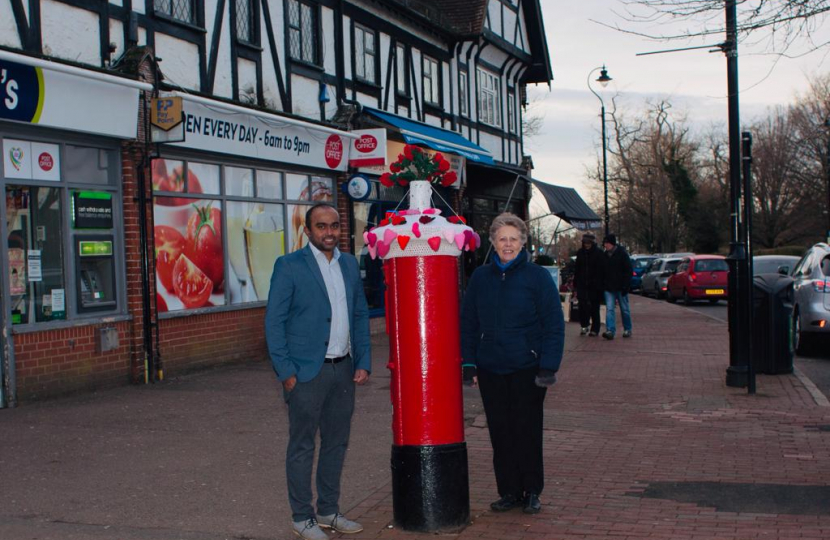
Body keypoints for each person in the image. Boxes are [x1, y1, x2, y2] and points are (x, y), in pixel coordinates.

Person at [265, 203, 371, 540]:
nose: (329, 232)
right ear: (308, 230)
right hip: (306, 373)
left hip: (344, 369)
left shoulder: (350, 265)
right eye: (321, 226)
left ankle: (328, 511)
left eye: (335, 226)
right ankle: (302, 517)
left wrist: (363, 360)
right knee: (302, 446)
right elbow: (274, 322)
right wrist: (286, 371)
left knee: (336, 444)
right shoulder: (289, 266)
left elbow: (359, 315)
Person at [460, 213, 565, 515]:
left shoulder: (537, 277)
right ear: (493, 243)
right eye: (502, 239)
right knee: (500, 432)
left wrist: (548, 366)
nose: (508, 244)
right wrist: (469, 364)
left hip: (527, 368)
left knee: (526, 431)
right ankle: (508, 491)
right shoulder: (480, 278)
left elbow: (553, 325)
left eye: (513, 239)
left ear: (522, 243)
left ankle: (531, 490)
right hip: (491, 368)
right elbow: (468, 323)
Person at [601, 234, 633, 340]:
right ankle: (610, 330)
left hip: (620, 286)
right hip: (609, 287)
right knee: (610, 309)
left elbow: (628, 271)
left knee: (624, 309)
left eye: (607, 243)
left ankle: (627, 328)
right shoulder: (605, 255)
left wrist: (625, 286)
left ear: (612, 243)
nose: (605, 245)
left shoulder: (622, 254)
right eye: (605, 243)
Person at [573, 233, 604, 336]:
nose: (587, 245)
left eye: (588, 243)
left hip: (594, 285)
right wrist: (575, 283)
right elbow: (577, 269)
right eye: (585, 243)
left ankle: (595, 329)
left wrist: (599, 283)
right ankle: (584, 325)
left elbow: (601, 270)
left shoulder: (599, 253)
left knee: (594, 307)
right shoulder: (580, 253)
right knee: (582, 306)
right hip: (582, 283)